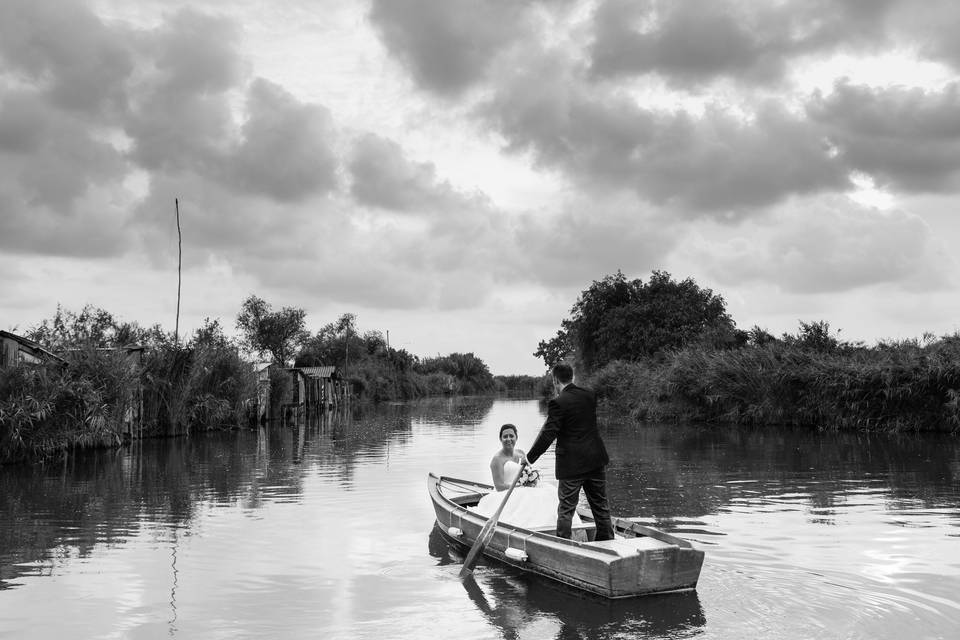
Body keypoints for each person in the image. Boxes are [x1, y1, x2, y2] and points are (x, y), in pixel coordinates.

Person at [525, 362, 615, 541]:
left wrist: (529, 458)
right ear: (572, 377)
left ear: (555, 381)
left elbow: (548, 434)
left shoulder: (558, 403)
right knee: (600, 506)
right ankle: (607, 544)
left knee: (566, 509)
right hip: (596, 459)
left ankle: (563, 546)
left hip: (572, 465)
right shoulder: (590, 396)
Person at [472, 423, 580, 531]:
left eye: (511, 436)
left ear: (516, 438)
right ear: (500, 439)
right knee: (528, 498)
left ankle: (561, 527)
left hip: (524, 488)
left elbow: (529, 471)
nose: (508, 439)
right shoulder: (497, 459)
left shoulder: (521, 453)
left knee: (549, 492)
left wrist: (531, 480)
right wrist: (519, 486)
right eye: (505, 436)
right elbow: (499, 486)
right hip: (507, 492)